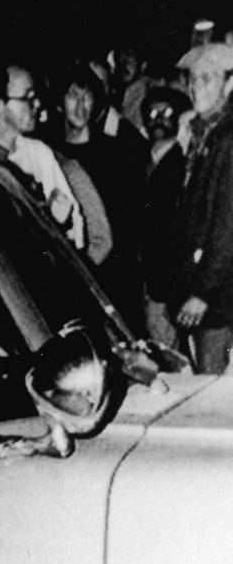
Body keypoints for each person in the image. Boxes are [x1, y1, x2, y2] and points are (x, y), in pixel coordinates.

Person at [58, 65, 145, 325]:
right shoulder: (51, 155)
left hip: (119, 276)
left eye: (88, 97)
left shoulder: (116, 151)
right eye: (73, 96)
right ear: (60, 102)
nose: (81, 105)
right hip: (79, 277)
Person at [0, 63, 85, 248]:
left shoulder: (39, 154)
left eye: (35, 97)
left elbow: (75, 227)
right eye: (27, 98)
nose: (36, 104)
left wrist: (60, 220)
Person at [176, 42, 233, 374]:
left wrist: (202, 292)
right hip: (214, 296)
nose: (197, 88)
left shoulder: (227, 139)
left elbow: (228, 224)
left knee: (213, 394)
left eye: (208, 79)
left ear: (228, 84)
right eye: (193, 79)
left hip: (220, 300)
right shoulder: (205, 133)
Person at [142, 86, 194, 350]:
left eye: (166, 112)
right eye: (152, 112)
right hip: (147, 279)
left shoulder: (183, 163)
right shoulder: (142, 159)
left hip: (169, 284)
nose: (158, 118)